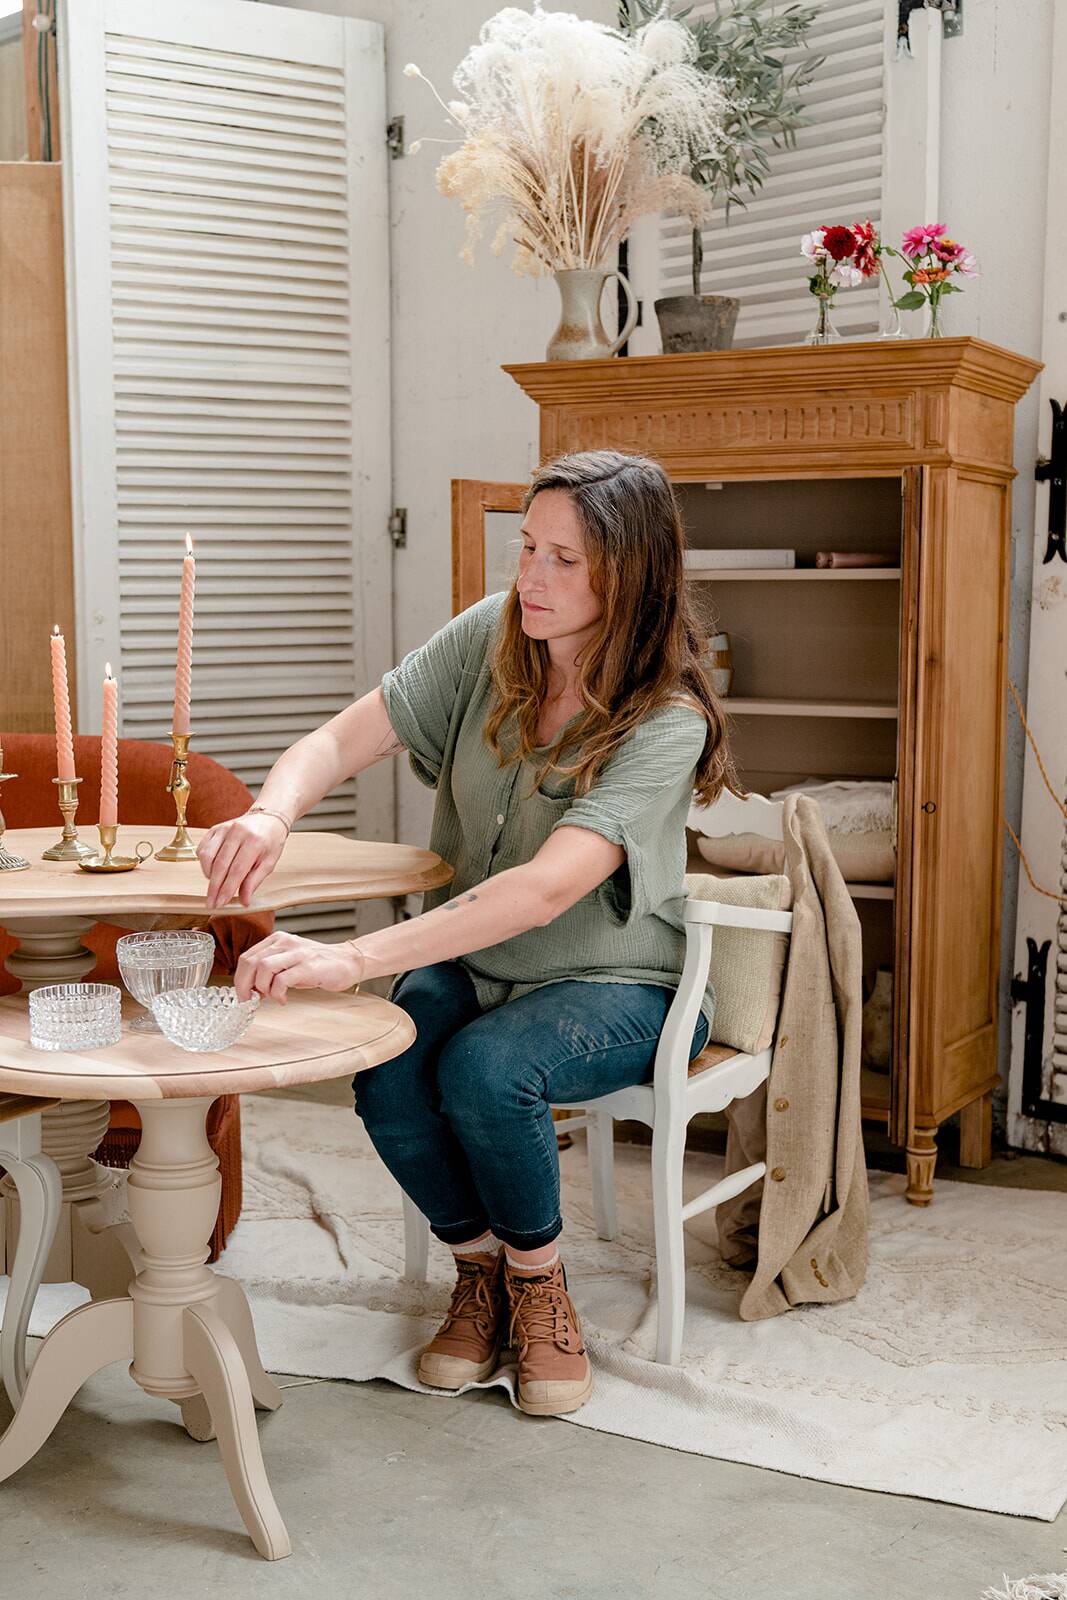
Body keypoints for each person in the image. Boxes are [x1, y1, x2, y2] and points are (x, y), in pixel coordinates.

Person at [197, 449, 740, 1416]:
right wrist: (270, 815)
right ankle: (478, 1269)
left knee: (485, 1069)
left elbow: (539, 891)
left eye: (564, 559)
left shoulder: (668, 719)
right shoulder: (490, 641)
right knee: (389, 1062)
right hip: (477, 962)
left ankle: (539, 1286)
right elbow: (332, 741)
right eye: (527, 547)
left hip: (622, 984)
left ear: (633, 572)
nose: (531, 577)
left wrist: (352, 957)